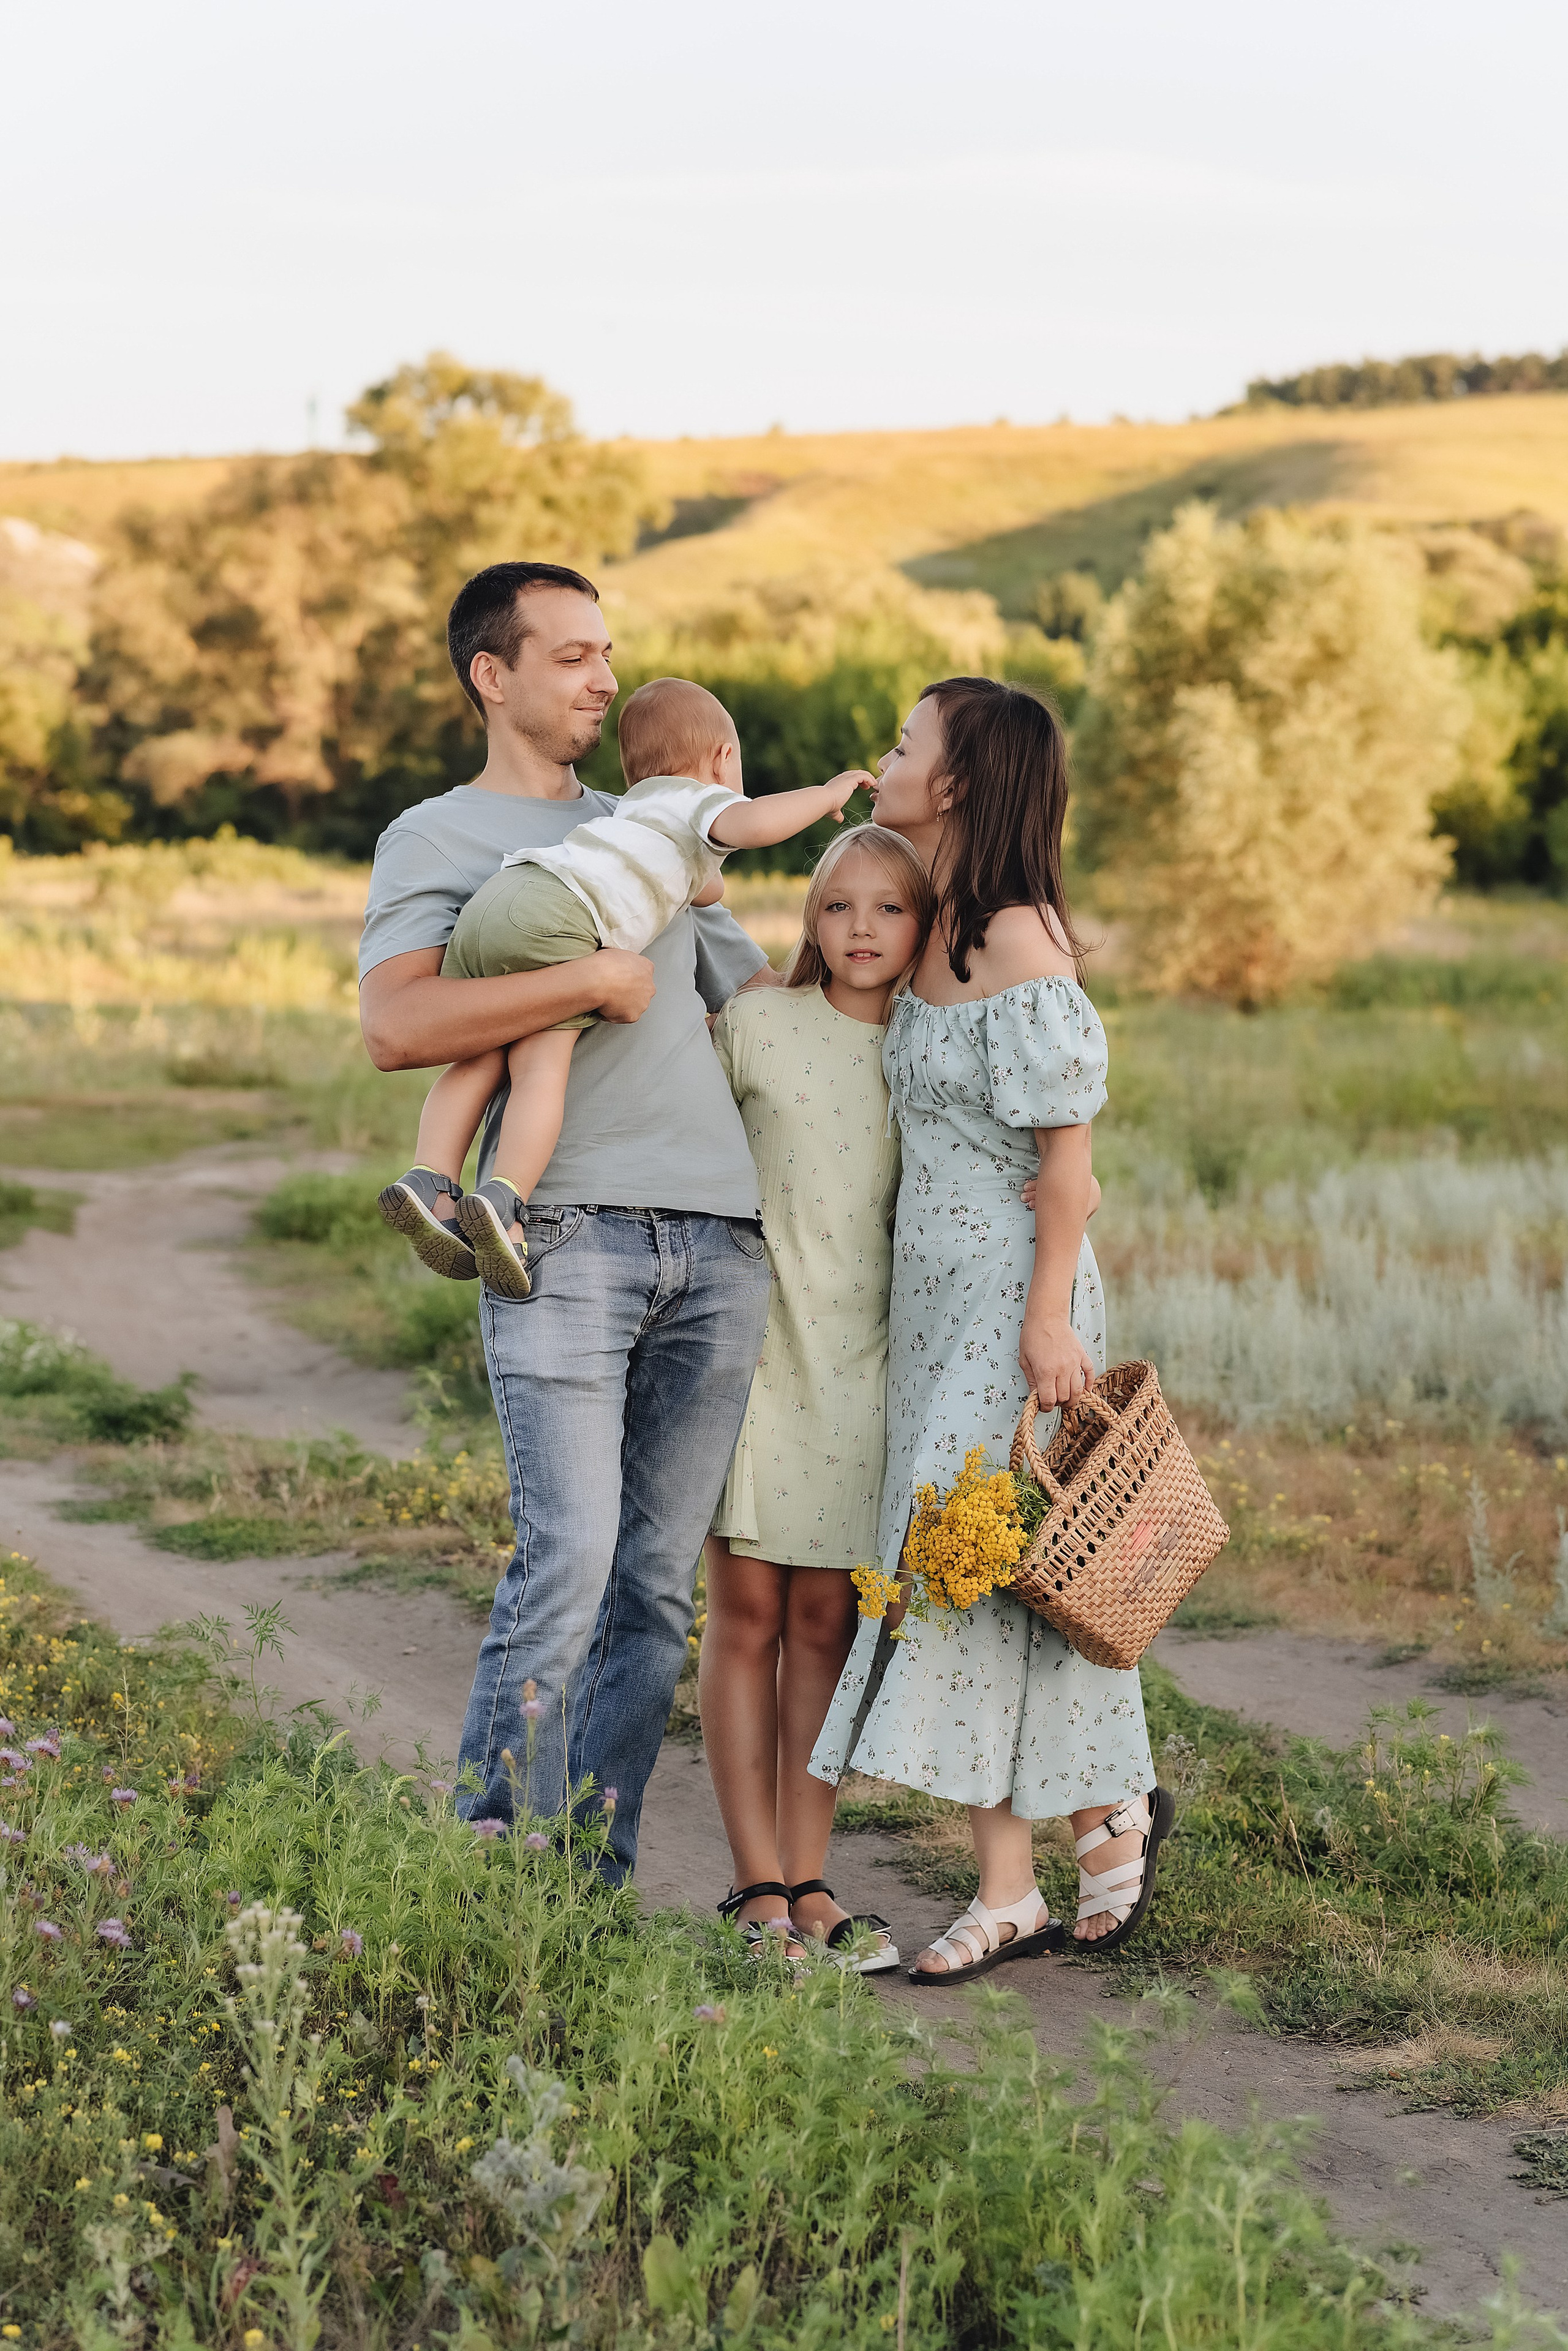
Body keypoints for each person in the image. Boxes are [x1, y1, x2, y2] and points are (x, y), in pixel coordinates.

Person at [358, 559, 800, 1880]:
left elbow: (759, 1001)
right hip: (560, 1237)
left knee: (654, 1589)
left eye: (608, 653)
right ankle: (495, 1877)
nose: (605, 678)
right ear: (492, 675)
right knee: (569, 1563)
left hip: (719, 1238)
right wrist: (588, 974)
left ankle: (586, 1889)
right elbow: (398, 1024)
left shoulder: (660, 818)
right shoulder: (434, 836)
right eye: (572, 656)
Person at [810, 677, 1172, 1979]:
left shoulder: (1020, 942)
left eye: (906, 741)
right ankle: (1083, 1825)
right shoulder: (932, 926)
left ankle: (1037, 1861)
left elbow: (1067, 1164)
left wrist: (1046, 1319)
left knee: (985, 1566)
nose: (887, 754)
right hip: (932, 1308)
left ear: (957, 780)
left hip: (1015, 1307)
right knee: (976, 1564)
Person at [377, 677, 865, 1297]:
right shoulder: (696, 799)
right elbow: (753, 823)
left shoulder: (634, 810)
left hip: (506, 896)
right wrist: (825, 795)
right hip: (563, 918)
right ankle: (504, 1201)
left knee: (484, 1054)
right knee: (540, 1069)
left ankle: (429, 1177)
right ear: (722, 760)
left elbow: (703, 885)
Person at [700, 825, 933, 1969]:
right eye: (839, 905)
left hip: (864, 1368)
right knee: (746, 1614)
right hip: (751, 1351)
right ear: (810, 918)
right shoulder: (758, 1024)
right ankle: (757, 1887)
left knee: (827, 1624)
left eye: (889, 907)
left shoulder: (932, 1054)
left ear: (923, 922)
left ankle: (811, 1877)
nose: (861, 929)